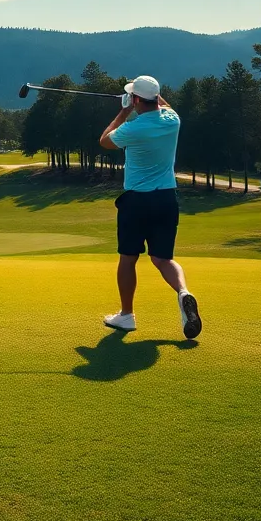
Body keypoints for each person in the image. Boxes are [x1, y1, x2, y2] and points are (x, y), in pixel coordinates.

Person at [99, 75, 202, 339]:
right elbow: (164, 106)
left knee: (128, 258)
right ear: (157, 97)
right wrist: (140, 98)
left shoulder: (133, 128)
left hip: (137, 201)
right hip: (167, 198)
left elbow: (105, 141)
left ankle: (126, 315)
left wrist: (123, 111)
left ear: (135, 100)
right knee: (163, 259)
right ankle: (184, 293)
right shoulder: (172, 120)